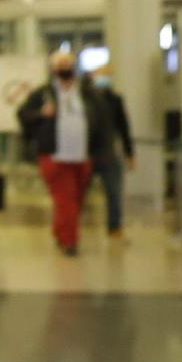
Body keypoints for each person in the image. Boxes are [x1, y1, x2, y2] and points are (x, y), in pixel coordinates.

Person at [17, 50, 114, 256]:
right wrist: (41, 114)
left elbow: (103, 123)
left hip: (82, 156)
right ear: (53, 69)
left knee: (76, 199)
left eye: (67, 64)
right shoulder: (43, 93)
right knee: (65, 198)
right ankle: (70, 242)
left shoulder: (88, 94)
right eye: (59, 65)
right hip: (54, 156)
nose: (64, 69)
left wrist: (104, 150)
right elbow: (23, 115)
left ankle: (61, 230)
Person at [92, 67, 136, 238]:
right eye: (99, 76)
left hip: (108, 153)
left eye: (106, 76)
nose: (102, 79)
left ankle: (115, 226)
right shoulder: (86, 98)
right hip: (87, 154)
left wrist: (129, 153)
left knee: (114, 191)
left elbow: (124, 128)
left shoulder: (115, 100)